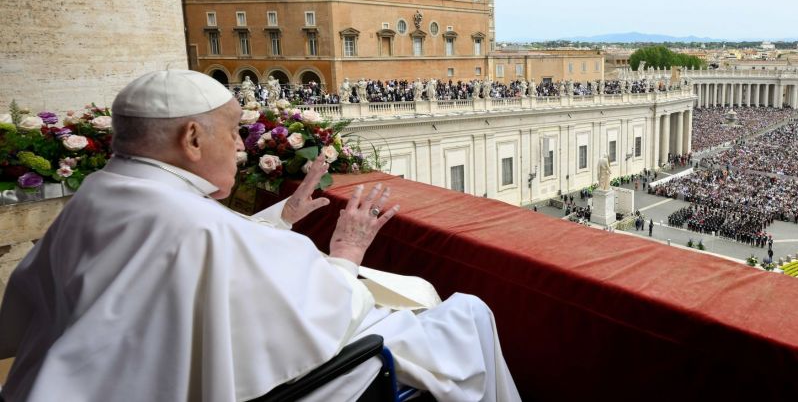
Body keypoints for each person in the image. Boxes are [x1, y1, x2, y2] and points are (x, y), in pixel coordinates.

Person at [0, 71, 519, 402]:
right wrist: (346, 253)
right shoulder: (193, 221)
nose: (239, 147)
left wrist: (284, 216)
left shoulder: (105, 189)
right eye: (232, 133)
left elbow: (199, 260)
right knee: (467, 313)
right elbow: (323, 312)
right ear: (193, 137)